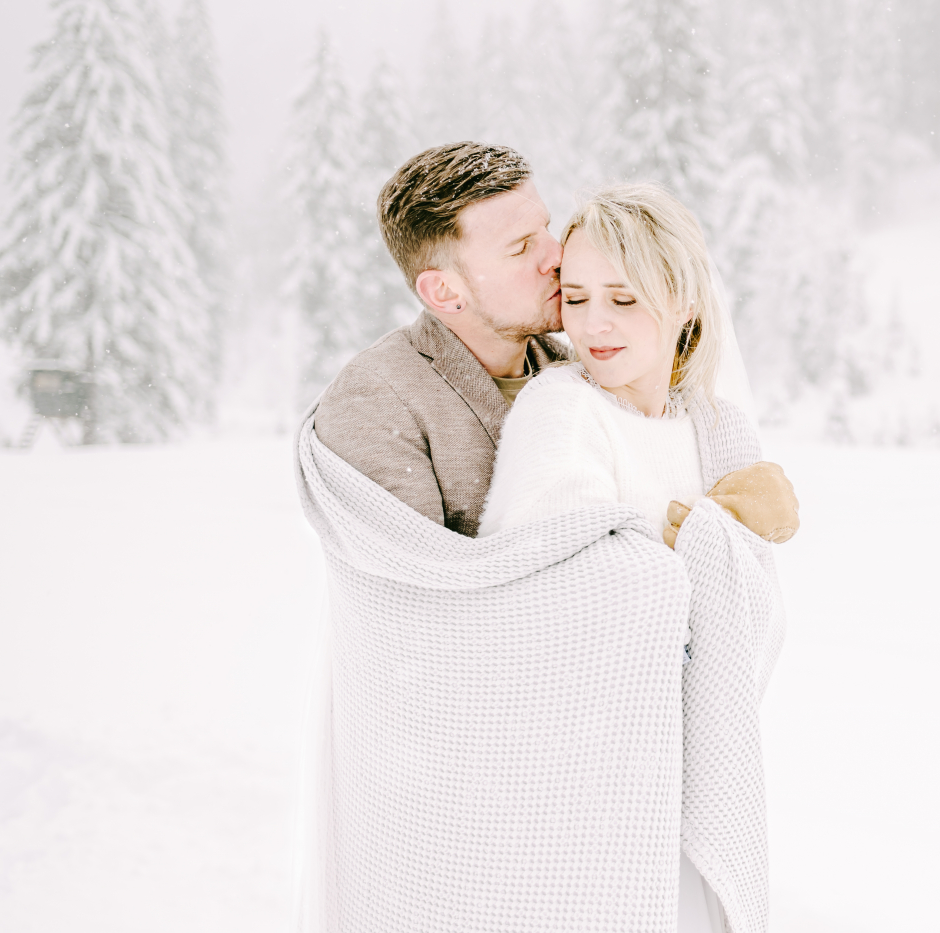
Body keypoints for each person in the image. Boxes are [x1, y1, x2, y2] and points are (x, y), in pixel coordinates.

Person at [478, 183, 790, 932]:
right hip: (592, 787)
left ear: (683, 299)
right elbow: (566, 591)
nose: (592, 325)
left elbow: (764, 623)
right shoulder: (562, 410)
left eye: (623, 298)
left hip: (697, 764)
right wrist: (709, 536)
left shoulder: (717, 429)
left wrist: (712, 541)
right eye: (577, 297)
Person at [314, 141, 796, 541]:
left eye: (545, 227)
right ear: (445, 290)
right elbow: (426, 591)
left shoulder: (577, 365)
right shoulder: (375, 403)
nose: (556, 254)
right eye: (521, 246)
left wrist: (739, 501)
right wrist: (694, 539)